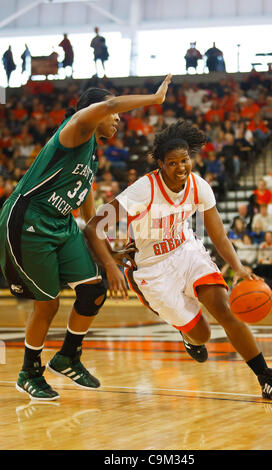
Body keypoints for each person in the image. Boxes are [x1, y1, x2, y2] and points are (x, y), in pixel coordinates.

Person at [84, 120, 272, 401]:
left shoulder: (199, 186)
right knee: (202, 335)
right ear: (160, 164)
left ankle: (267, 379)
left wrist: (240, 268)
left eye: (185, 160)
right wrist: (111, 263)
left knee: (224, 309)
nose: (181, 167)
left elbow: (217, 234)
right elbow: (94, 226)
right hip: (153, 268)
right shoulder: (143, 191)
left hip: (186, 250)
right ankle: (187, 335)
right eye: (172, 163)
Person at [0, 74, 172, 401]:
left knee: (93, 291)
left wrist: (108, 257)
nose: (119, 119)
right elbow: (108, 104)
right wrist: (153, 98)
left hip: (62, 223)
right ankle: (29, 372)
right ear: (95, 111)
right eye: (114, 115)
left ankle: (67, 356)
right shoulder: (75, 131)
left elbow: (90, 219)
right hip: (29, 220)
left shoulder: (92, 155)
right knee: (47, 304)